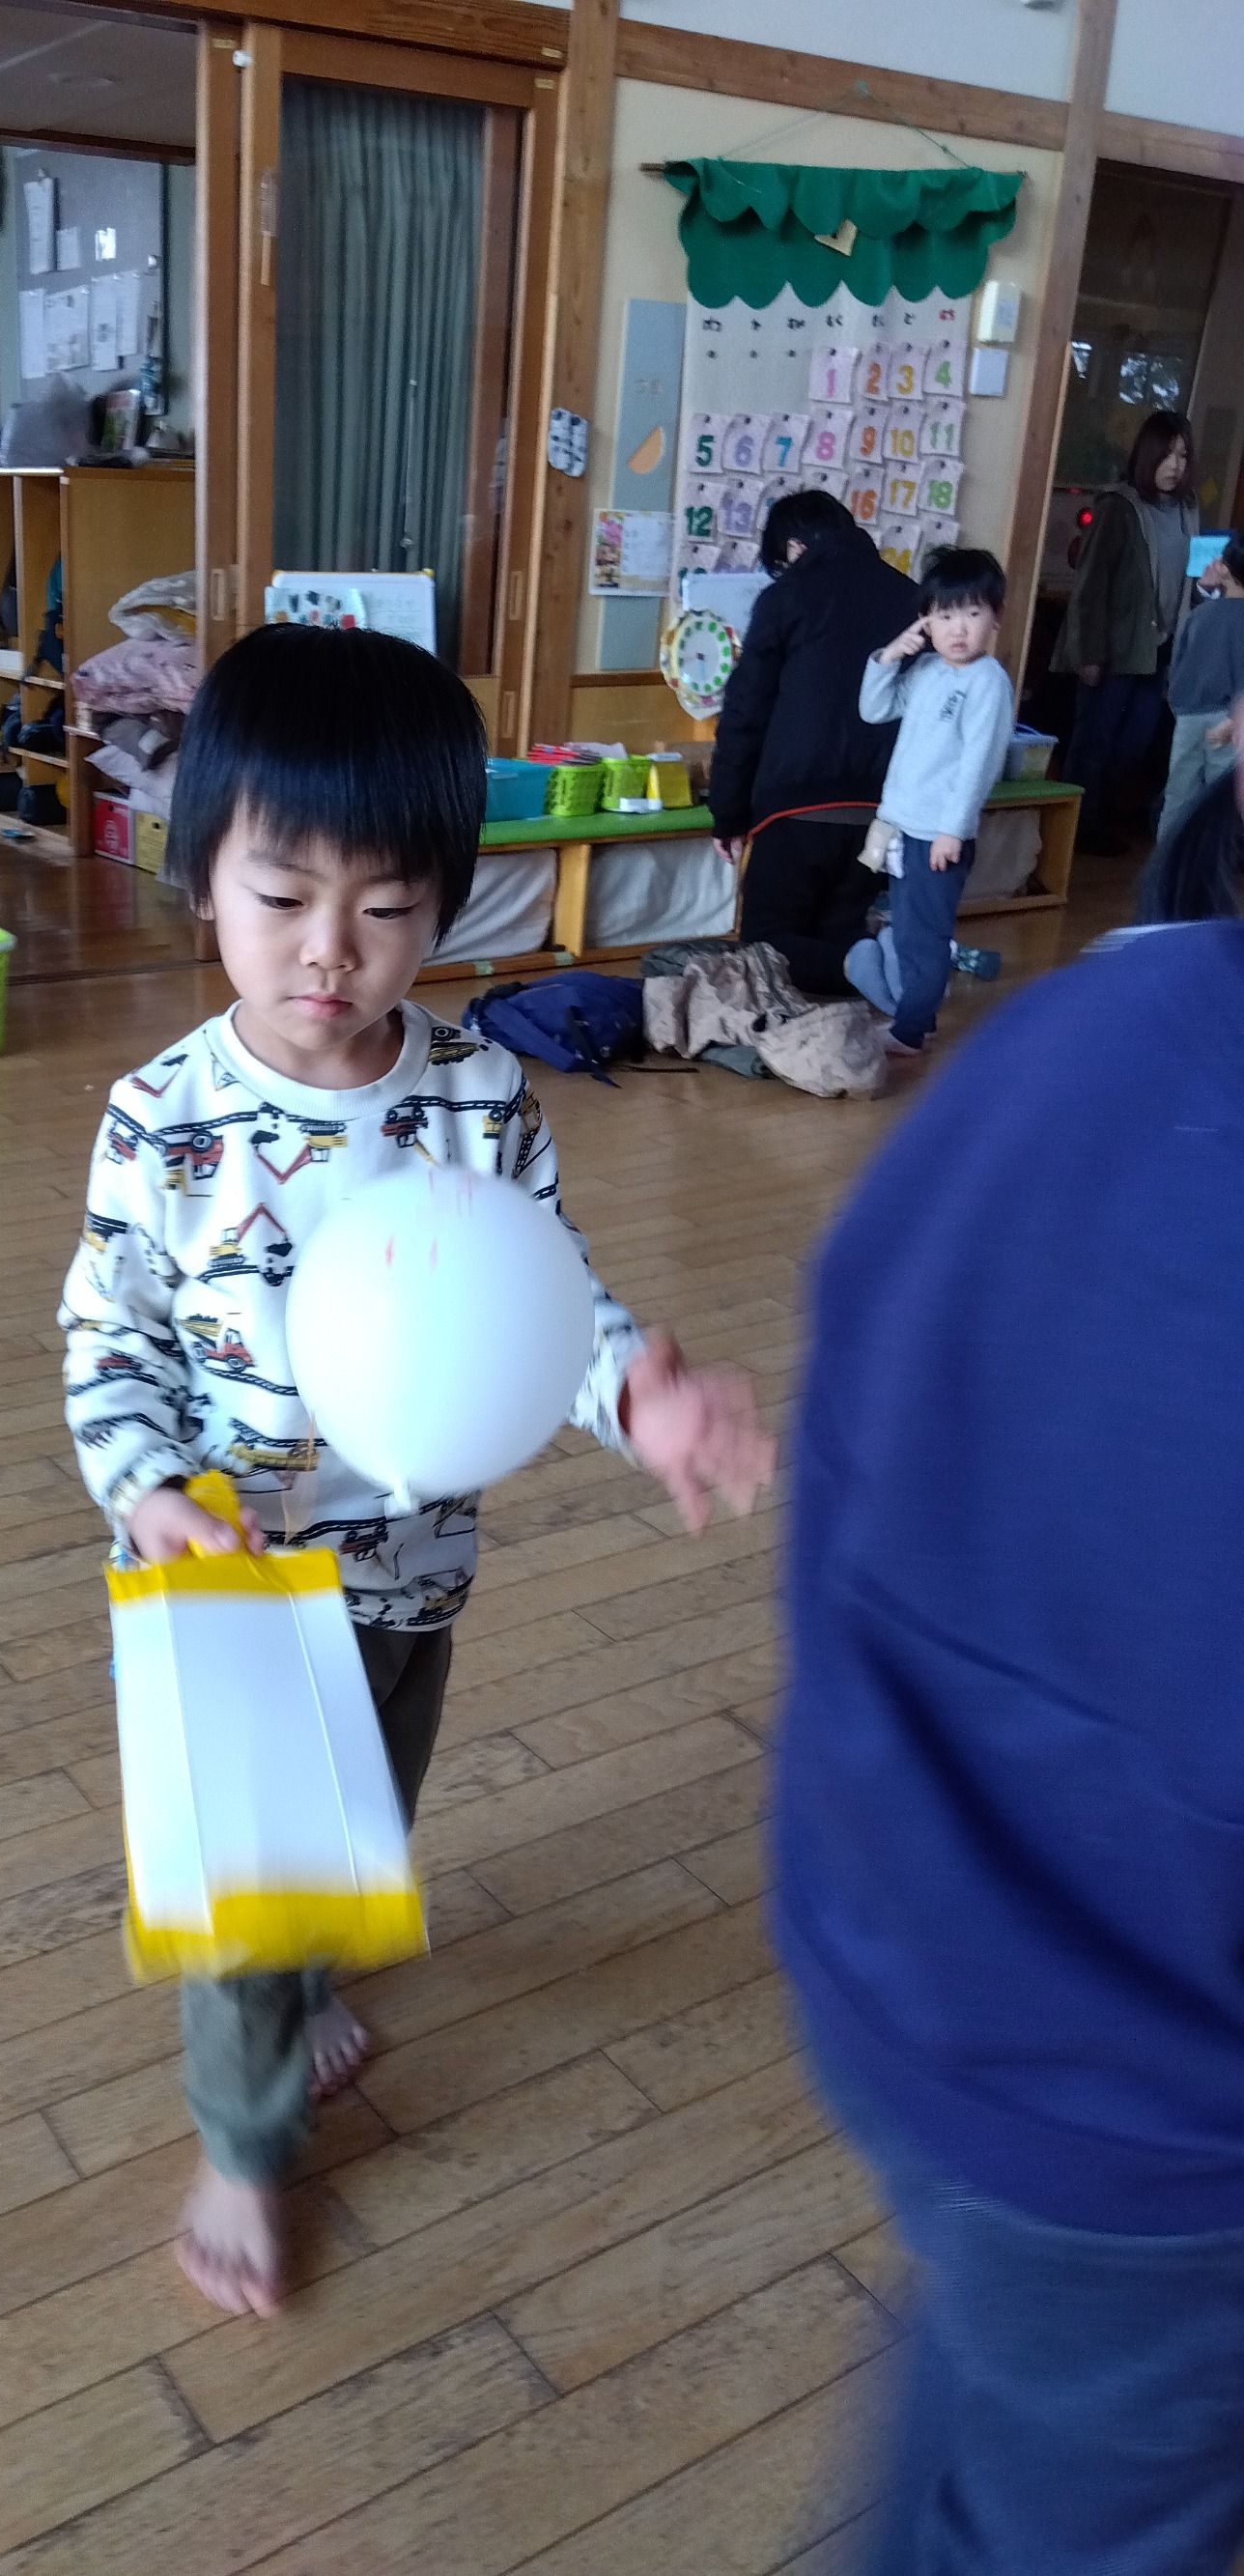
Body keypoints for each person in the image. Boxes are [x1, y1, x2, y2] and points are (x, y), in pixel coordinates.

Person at [60, 623, 775, 2316]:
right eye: (282, 896)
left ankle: (313, 1977)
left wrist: (638, 1393)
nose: (331, 949)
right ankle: (244, 2145)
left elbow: (546, 1301)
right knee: (252, 1889)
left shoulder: (477, 1095)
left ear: (445, 905)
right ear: (201, 877)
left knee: (366, 1812)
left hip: (411, 1566)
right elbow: (107, 1342)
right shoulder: (160, 1117)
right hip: (231, 1580)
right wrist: (148, 1485)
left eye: (385, 908)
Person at [775, 751, 1244, 2571]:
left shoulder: (1056, 1043)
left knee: (993, 2366)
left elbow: (858, 1438)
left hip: (892, 1960)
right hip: (1149, 2141)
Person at [708, 489, 919, 996]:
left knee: (765, 947)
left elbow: (745, 713)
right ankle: (874, 966)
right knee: (839, 932)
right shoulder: (912, 598)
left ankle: (857, 966)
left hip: (796, 804)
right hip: (883, 809)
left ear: (794, 546)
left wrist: (728, 814)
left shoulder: (786, 598)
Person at [845, 549, 1016, 1058]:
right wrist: (888, 657)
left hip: (937, 834)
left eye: (973, 613)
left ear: (996, 617)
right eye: (944, 615)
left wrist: (953, 830)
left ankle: (911, 1030)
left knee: (924, 935)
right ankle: (914, 1011)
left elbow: (979, 763)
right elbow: (874, 709)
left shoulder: (987, 681)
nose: (958, 628)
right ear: (926, 621)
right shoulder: (925, 670)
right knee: (907, 928)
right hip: (902, 826)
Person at [1052, 408, 1201, 855]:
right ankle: (1078, 830)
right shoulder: (1118, 507)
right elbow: (1091, 585)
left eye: (1183, 456)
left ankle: (1102, 814)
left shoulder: (1188, 510)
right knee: (1093, 740)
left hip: (1160, 648)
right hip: (1114, 648)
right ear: (1147, 454)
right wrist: (1089, 653)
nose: (1175, 466)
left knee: (1135, 740)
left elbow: (1189, 577)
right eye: (1167, 455)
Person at [1156, 536, 1244, 848]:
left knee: (1178, 794)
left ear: (1224, 569)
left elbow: (1178, 666)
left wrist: (1179, 706)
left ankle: (1166, 859)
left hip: (1189, 715)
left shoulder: (1201, 615)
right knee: (1223, 802)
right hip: (1231, 720)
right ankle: (1217, 863)